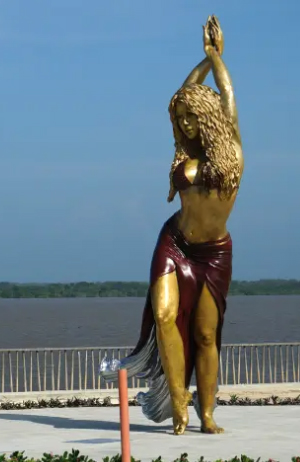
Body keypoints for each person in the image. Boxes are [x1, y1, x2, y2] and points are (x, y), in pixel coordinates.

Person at [100, 15, 243, 435]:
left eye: (191, 116)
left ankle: (208, 413)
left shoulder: (231, 149)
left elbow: (228, 96)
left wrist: (215, 57)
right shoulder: (184, 151)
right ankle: (179, 407)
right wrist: (194, 73)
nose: (184, 124)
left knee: (203, 335)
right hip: (175, 242)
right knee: (164, 317)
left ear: (209, 116)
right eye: (180, 118)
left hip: (213, 255)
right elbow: (179, 95)